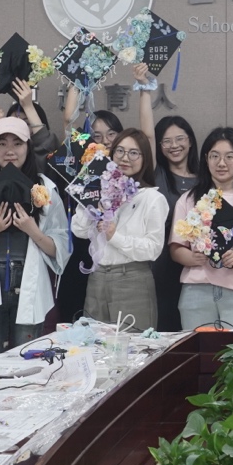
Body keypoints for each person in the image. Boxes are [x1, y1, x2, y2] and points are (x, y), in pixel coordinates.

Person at [0, 117, 71, 354]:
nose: (9, 151)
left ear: (28, 147)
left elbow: (60, 247)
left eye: (17, 143)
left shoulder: (46, 189)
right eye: (2, 144)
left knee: (26, 357)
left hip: (29, 279)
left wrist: (32, 230)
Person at [170, 128, 233, 330]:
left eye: (229, 156)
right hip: (197, 292)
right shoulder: (189, 199)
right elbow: (176, 248)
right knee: (198, 349)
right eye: (215, 156)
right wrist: (192, 257)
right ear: (206, 159)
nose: (221, 163)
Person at [71, 128, 168, 329]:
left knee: (134, 343)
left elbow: (153, 249)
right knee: (94, 343)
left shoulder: (152, 198)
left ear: (145, 158)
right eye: (120, 151)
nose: (125, 158)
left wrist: (115, 236)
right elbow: (79, 230)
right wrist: (92, 200)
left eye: (134, 153)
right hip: (97, 277)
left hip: (132, 279)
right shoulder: (102, 190)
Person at [148, 112, 199, 332]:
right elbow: (147, 136)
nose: (174, 145)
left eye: (180, 139)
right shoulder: (155, 175)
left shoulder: (205, 178)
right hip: (161, 265)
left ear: (190, 141)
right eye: (166, 141)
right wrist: (144, 94)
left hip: (197, 265)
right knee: (164, 324)